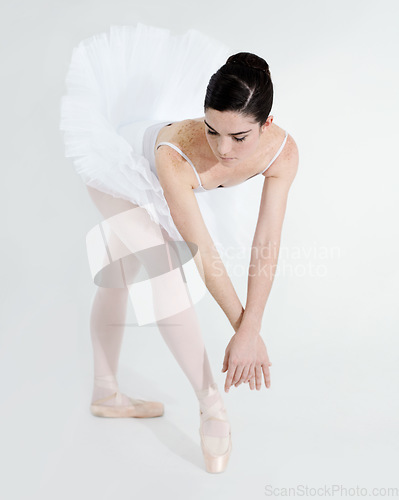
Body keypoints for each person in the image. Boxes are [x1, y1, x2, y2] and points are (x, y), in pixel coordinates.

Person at [59, 23, 298, 474]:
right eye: (211, 130)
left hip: (161, 176)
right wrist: (241, 329)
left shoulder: (283, 154)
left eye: (238, 137)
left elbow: (266, 240)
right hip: (119, 171)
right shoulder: (176, 154)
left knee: (119, 275)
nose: (223, 149)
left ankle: (105, 390)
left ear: (266, 124)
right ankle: (212, 404)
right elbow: (201, 249)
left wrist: (252, 327)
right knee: (166, 267)